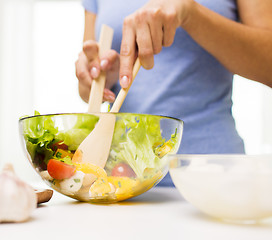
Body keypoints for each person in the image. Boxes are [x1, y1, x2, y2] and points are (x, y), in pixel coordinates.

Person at [75, 0, 272, 186]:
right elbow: (87, 89)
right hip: (119, 182)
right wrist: (102, 76)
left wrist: (190, 11)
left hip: (215, 180)